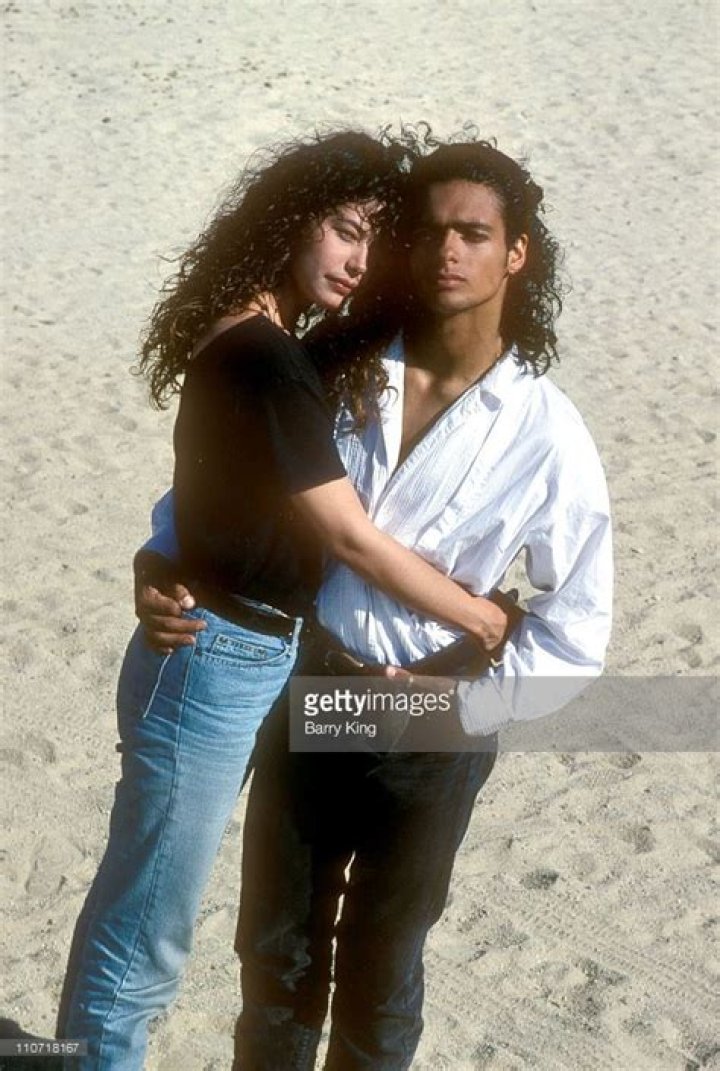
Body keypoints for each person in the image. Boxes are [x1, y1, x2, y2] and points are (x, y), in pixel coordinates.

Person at [139, 135, 613, 1070]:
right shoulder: (334, 367)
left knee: (381, 974)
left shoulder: (548, 434)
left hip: (434, 720)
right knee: (275, 960)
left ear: (517, 253)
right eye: (428, 231)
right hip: (307, 682)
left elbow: (577, 630)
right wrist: (158, 557)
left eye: (474, 233)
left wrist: (468, 703)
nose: (447, 251)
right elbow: (227, 482)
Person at [56, 131, 515, 1071]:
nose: (357, 261)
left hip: (256, 653)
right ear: (289, 222)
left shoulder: (278, 348)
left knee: (149, 908)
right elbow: (348, 535)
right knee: (147, 931)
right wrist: (480, 616)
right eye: (344, 230)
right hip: (213, 660)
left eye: (372, 242)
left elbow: (214, 495)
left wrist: (161, 552)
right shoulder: (262, 356)